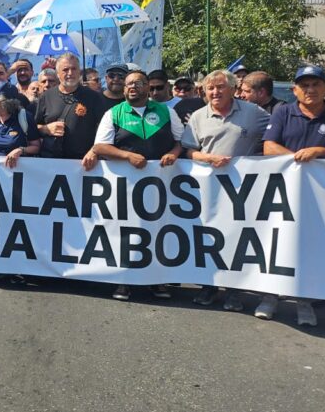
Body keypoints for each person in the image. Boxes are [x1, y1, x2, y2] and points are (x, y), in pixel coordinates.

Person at [259, 64, 325, 326]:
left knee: (311, 246)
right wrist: (295, 159)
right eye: (304, 86)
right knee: (277, 242)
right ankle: (270, 297)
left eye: (316, 85)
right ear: (295, 90)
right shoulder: (283, 112)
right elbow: (268, 147)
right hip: (284, 191)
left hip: (321, 195)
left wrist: (318, 152)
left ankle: (305, 302)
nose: (310, 90)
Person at [181, 69, 270, 311]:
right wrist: (208, 158)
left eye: (220, 87)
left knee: (237, 237)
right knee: (210, 237)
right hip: (209, 187)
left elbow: (273, 136)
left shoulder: (255, 113)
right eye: (210, 88)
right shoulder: (198, 117)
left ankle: (234, 292)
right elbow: (189, 151)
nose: (215, 92)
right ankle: (208, 287)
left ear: (233, 89)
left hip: (244, 189)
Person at [93, 69, 183, 301]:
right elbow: (100, 147)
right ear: (124, 90)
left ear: (147, 87)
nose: (133, 87)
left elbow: (181, 142)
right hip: (125, 185)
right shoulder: (113, 113)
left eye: (138, 83)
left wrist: (173, 154)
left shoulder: (167, 112)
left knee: (159, 230)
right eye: (129, 84)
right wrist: (127, 156)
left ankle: (158, 280)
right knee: (124, 231)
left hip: (161, 183)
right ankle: (124, 280)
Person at [33, 53, 105, 167]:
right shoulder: (46, 96)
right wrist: (46, 129)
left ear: (79, 72)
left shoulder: (94, 97)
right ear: (57, 74)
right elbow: (33, 128)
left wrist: (94, 151)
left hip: (83, 162)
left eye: (74, 69)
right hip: (50, 161)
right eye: (65, 69)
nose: (70, 73)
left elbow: (104, 130)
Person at [0, 91, 40, 167]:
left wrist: (20, 150)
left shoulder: (24, 117)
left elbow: (36, 147)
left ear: (4, 101)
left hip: (17, 170)